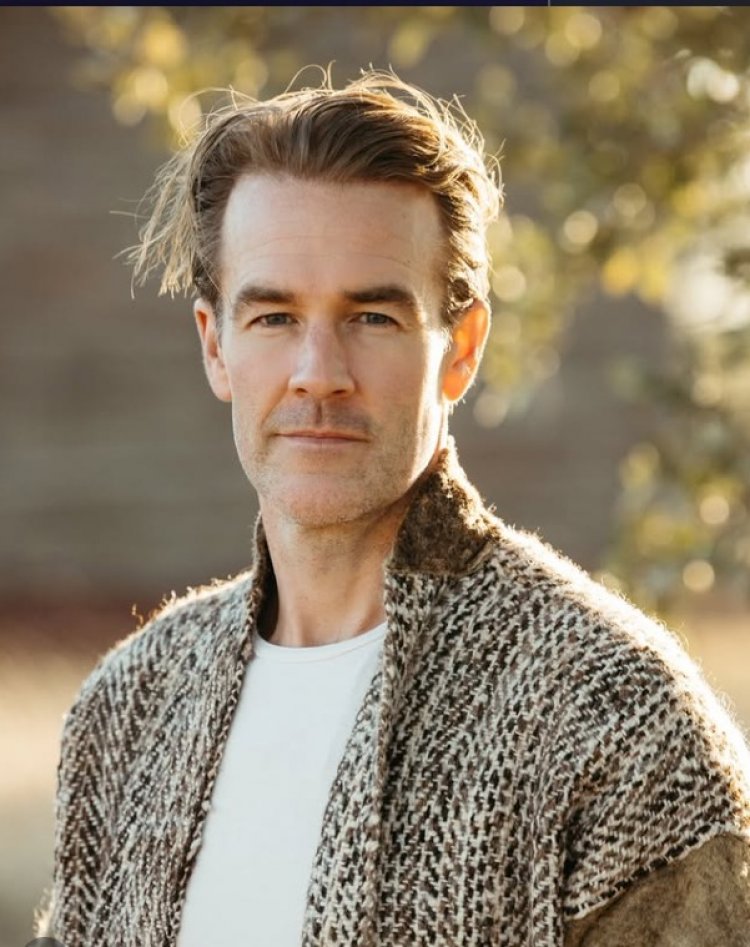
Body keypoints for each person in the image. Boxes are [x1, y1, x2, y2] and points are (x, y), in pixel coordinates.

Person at [34, 70, 750, 947]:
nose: (318, 372)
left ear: (463, 348)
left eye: (372, 317)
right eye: (274, 318)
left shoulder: (616, 719)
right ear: (215, 345)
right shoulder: (130, 709)